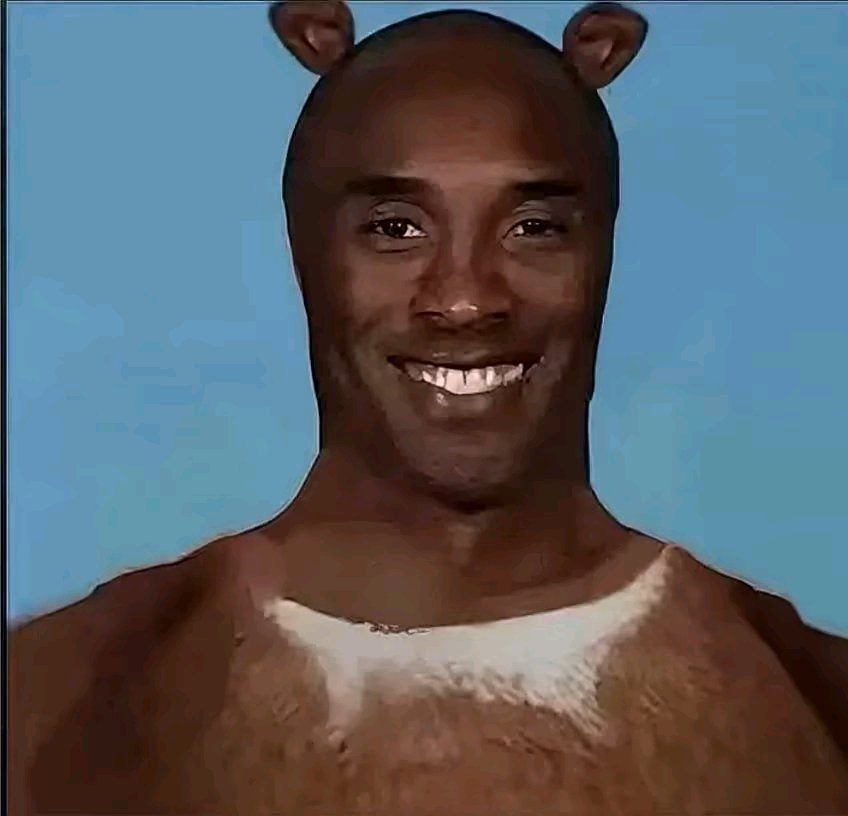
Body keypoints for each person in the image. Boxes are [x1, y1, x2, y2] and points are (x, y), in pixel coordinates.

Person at [9, 1, 848, 813]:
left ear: (604, 250)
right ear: (305, 252)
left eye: (534, 228)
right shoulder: (55, 705)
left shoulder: (810, 703)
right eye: (395, 228)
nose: (464, 300)